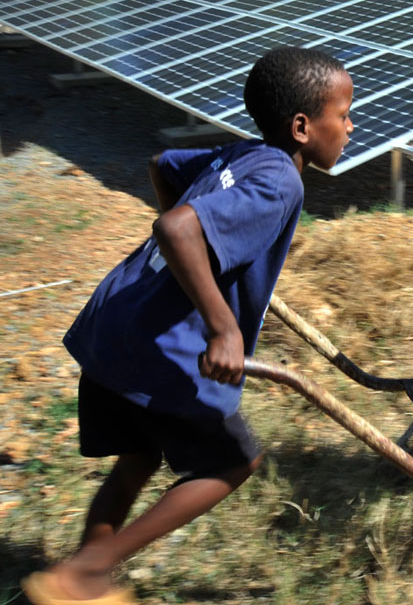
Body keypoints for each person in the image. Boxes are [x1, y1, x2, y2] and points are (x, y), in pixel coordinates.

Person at [22, 46, 354, 604]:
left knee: (140, 454)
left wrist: (213, 261)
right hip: (160, 346)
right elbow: (177, 229)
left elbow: (163, 167)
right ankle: (83, 572)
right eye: (343, 114)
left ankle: (84, 583)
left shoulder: (245, 155)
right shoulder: (281, 183)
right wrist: (223, 325)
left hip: (116, 321)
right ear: (302, 127)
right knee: (233, 461)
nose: (350, 125)